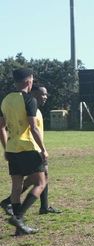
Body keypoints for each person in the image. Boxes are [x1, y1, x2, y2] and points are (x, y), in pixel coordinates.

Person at [0, 68, 48, 235]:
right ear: (29, 82)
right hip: (27, 147)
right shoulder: (29, 100)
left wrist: (6, 148)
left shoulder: (5, 100)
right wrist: (43, 149)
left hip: (12, 149)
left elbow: (1, 128)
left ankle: (19, 231)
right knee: (41, 182)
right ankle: (18, 217)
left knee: (16, 186)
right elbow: (34, 128)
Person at [0, 84, 61, 216]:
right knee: (38, 179)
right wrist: (42, 149)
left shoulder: (36, 110)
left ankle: (44, 207)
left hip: (33, 148)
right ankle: (13, 206)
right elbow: (31, 129)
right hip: (30, 149)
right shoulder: (26, 108)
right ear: (32, 93)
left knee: (43, 176)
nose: (44, 97)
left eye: (46, 95)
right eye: (41, 94)